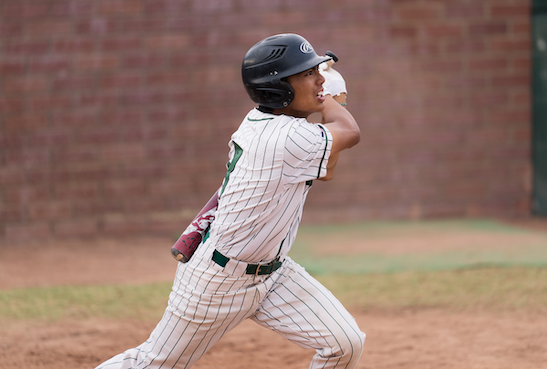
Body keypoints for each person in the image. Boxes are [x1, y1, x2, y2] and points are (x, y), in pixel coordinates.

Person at [95, 33, 364, 369]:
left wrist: (320, 91)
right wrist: (330, 99)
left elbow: (326, 169)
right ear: (277, 88)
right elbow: (349, 133)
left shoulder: (275, 126)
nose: (319, 78)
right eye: (308, 73)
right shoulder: (284, 137)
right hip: (219, 281)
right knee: (153, 362)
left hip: (274, 275)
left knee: (345, 343)